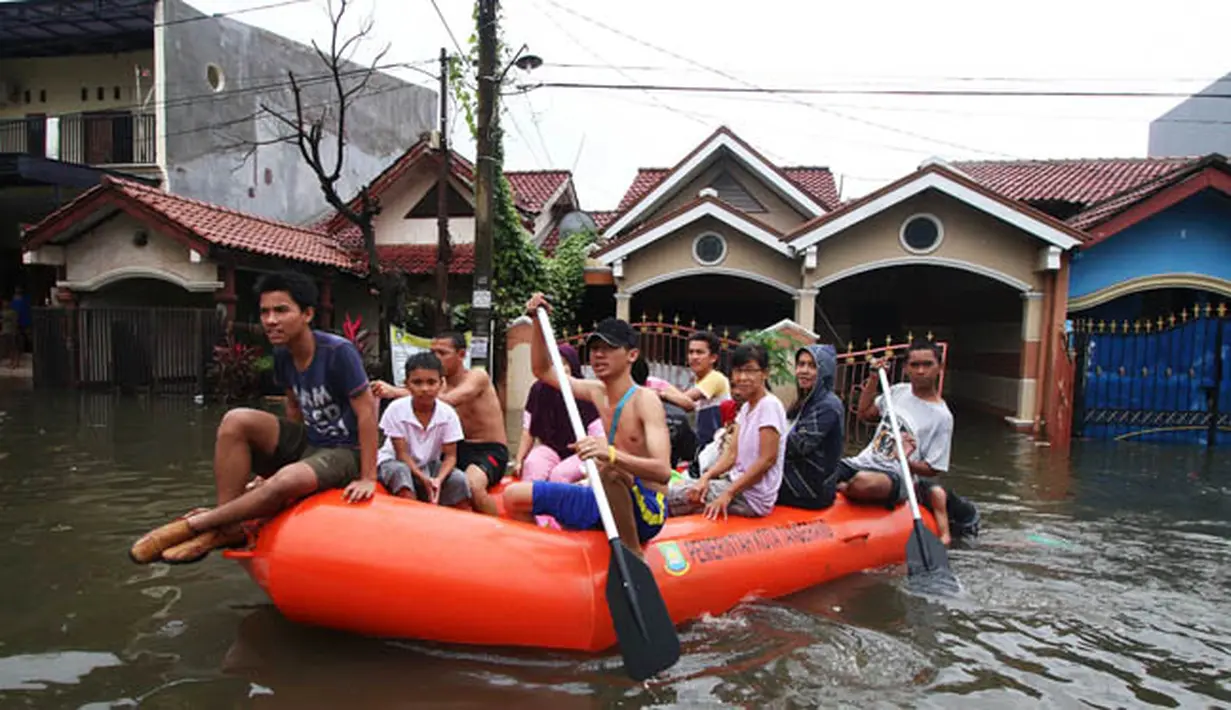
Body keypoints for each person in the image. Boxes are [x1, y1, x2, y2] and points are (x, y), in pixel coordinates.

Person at [129, 271, 380, 564]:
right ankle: (229, 526)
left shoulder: (339, 352)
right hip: (311, 441)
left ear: (307, 314)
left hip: (345, 450)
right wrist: (275, 466)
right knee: (235, 419)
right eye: (265, 312)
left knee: (287, 480)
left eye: (281, 310)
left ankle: (200, 523)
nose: (271, 320)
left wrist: (368, 477)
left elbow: (367, 411)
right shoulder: (283, 354)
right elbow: (294, 408)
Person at [503, 295, 673, 560]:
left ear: (632, 355)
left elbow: (663, 472)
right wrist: (537, 320)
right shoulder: (595, 391)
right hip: (603, 496)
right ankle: (545, 563)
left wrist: (611, 455)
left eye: (608, 348)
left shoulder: (646, 400)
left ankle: (632, 555)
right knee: (514, 496)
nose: (598, 355)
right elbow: (542, 370)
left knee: (611, 471)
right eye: (594, 349)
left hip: (646, 509)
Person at [372, 332, 509, 516]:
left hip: (487, 450)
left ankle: (497, 529)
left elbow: (448, 400)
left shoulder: (477, 377)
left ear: (461, 355)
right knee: (438, 479)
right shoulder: (435, 387)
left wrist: (394, 391)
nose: (435, 357)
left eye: (442, 353)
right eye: (432, 352)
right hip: (455, 449)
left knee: (472, 485)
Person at [837, 339, 955, 543]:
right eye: (914, 365)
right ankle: (839, 483)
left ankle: (841, 488)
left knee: (863, 482)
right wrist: (874, 378)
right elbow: (864, 413)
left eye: (927, 365)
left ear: (939, 367)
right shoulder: (898, 391)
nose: (920, 371)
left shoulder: (942, 417)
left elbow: (934, 468)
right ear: (906, 368)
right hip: (862, 462)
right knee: (817, 469)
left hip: (896, 477)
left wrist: (905, 460)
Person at [666, 343, 787, 520]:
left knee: (668, 495)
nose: (743, 377)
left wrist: (728, 494)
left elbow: (766, 460)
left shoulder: (769, 406)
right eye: (738, 371)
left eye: (750, 371)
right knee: (686, 489)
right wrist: (706, 477)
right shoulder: (746, 408)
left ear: (765, 373)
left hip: (750, 496)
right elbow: (731, 454)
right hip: (733, 484)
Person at [376, 351, 469, 507]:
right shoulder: (396, 409)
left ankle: (463, 523)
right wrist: (423, 478)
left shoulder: (448, 414)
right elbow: (401, 454)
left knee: (459, 479)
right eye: (417, 383)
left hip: (429, 465)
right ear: (406, 384)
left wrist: (438, 479)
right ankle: (414, 522)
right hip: (394, 463)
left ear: (442, 383)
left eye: (431, 382)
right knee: (401, 473)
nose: (425, 389)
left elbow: (450, 456)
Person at [513, 343, 604, 483]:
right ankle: (534, 504)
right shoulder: (538, 391)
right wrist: (519, 460)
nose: (560, 369)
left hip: (582, 453)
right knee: (533, 466)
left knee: (560, 475)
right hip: (550, 449)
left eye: (564, 364)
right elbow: (528, 430)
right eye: (554, 364)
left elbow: (599, 437)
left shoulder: (587, 393)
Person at [777, 345, 845, 510]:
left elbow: (798, 445)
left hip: (810, 489)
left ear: (825, 370)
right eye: (801, 364)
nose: (804, 371)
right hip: (793, 476)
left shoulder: (828, 405)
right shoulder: (805, 400)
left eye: (812, 366)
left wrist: (758, 441)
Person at [656, 331, 731, 451]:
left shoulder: (715, 378)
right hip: (707, 446)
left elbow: (686, 399)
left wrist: (661, 393)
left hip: (717, 448)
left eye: (699, 352)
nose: (694, 357)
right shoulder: (698, 381)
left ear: (713, 358)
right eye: (691, 352)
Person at [11, 287, 30, 355]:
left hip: (24, 320)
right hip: (17, 320)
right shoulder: (14, 300)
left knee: (25, 335)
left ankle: (26, 349)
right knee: (18, 336)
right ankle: (20, 349)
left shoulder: (25, 299)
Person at [1, 298, 18, 368]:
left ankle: (15, 362)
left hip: (11, 331)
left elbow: (15, 321)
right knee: (8, 348)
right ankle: (11, 362)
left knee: (13, 348)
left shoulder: (12, 312)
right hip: (5, 331)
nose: (5, 304)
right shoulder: (3, 312)